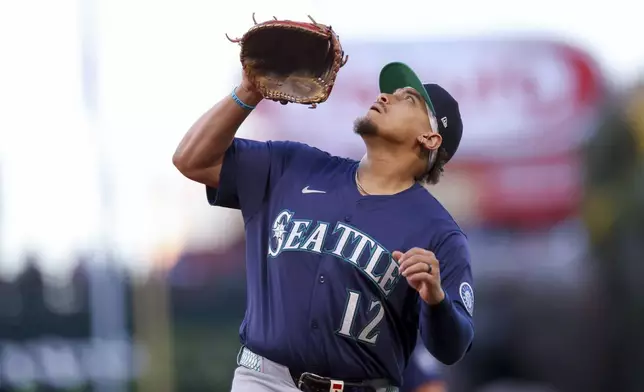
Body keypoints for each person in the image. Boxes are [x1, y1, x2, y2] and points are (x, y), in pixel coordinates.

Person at [173, 61, 474, 392]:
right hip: (263, 380)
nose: (386, 97)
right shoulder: (294, 166)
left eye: (408, 99)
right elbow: (192, 160)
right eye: (389, 91)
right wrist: (249, 91)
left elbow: (452, 348)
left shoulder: (440, 233)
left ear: (429, 138)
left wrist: (436, 300)